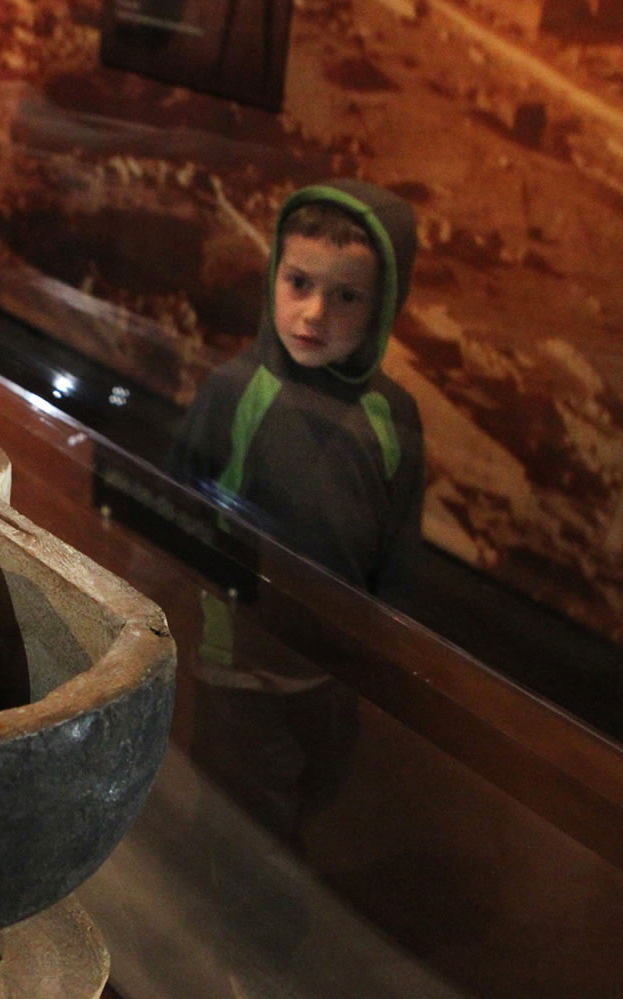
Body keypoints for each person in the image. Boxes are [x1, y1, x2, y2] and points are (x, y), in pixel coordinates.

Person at [166, 179, 424, 844]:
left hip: (328, 668)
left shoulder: (391, 414)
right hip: (238, 662)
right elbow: (177, 499)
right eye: (299, 283)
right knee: (242, 817)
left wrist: (385, 642)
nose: (313, 313)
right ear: (274, 276)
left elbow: (398, 537)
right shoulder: (235, 388)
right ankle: (234, 927)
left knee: (317, 790)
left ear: (383, 304)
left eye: (345, 296)